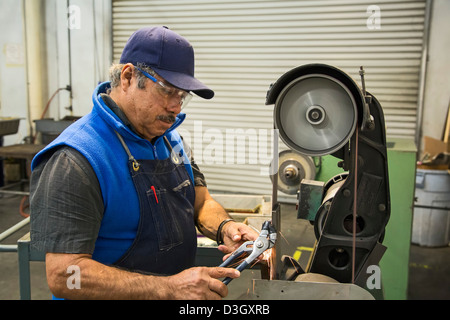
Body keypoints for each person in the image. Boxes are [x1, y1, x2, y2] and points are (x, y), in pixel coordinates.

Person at [29, 26, 259, 300]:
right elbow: (66, 277)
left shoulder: (170, 139)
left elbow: (200, 202)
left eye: (183, 96)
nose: (176, 106)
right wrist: (168, 288)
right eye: (167, 90)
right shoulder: (76, 159)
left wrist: (226, 227)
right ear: (128, 77)